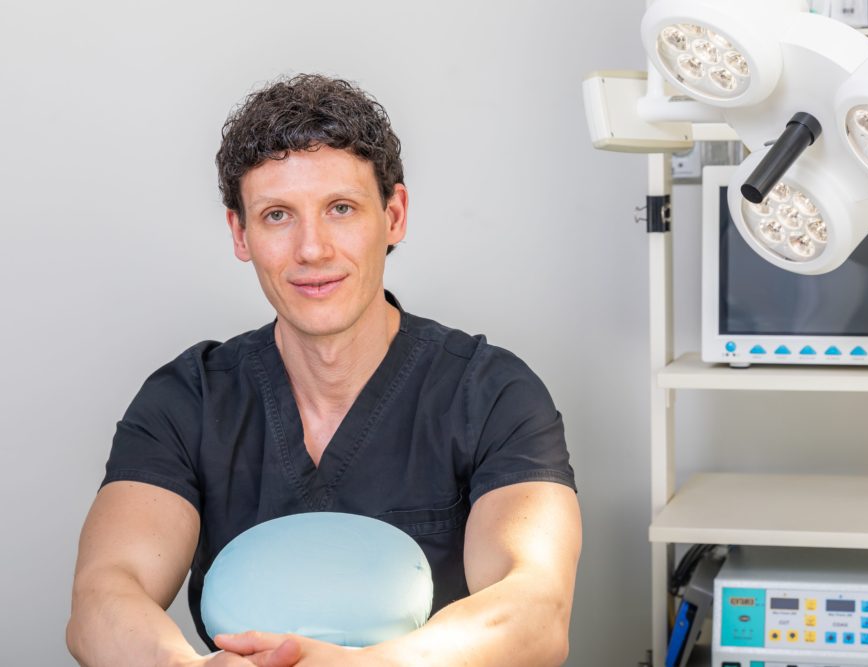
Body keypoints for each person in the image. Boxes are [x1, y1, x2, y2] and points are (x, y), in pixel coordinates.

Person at [66, 74, 581, 667]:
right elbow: (105, 595)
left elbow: (534, 609)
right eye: (277, 215)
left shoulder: (492, 396)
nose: (312, 249)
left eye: (341, 209)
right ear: (240, 232)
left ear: (394, 214)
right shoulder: (188, 401)